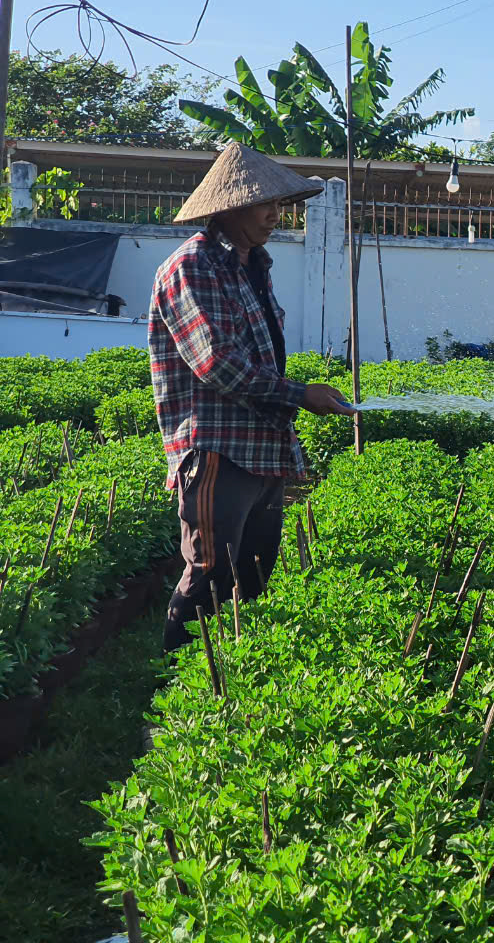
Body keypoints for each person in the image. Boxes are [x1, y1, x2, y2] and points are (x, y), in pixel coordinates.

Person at [151, 143, 356, 653]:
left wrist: (298, 398)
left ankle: (231, 690)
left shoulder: (254, 266)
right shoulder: (193, 266)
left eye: (279, 204)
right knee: (208, 575)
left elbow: (258, 356)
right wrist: (298, 394)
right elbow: (215, 362)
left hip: (262, 448)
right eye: (264, 203)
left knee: (255, 575)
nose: (275, 214)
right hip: (217, 449)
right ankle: (171, 698)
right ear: (229, 207)